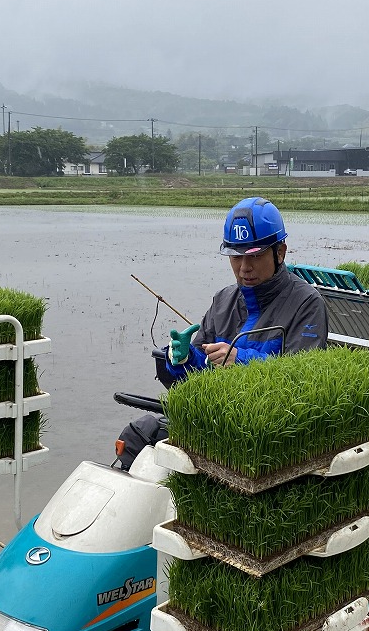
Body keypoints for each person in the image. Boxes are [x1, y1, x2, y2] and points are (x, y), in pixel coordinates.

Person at [117, 197, 328, 468]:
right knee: (138, 436)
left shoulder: (306, 303)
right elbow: (196, 375)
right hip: (214, 424)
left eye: (254, 255)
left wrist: (241, 360)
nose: (244, 268)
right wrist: (181, 359)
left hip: (268, 433)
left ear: (280, 251)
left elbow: (303, 379)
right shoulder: (223, 300)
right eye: (235, 256)